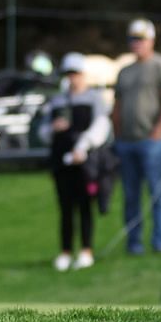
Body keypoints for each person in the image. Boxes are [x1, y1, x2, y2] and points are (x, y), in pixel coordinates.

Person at [112, 18, 161, 256]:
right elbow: (117, 105)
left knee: (157, 193)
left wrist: (158, 131)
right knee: (131, 196)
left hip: (153, 142)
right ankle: (134, 243)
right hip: (127, 142)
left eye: (140, 39)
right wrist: (118, 134)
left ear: (151, 40)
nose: (136, 43)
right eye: (133, 39)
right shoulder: (125, 71)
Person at [44, 54, 112, 271]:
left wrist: (82, 147)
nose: (73, 79)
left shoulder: (94, 99)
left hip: (85, 162)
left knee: (85, 207)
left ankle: (86, 249)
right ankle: (65, 251)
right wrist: (53, 128)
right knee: (65, 208)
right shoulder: (57, 101)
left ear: (83, 75)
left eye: (76, 74)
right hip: (61, 162)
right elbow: (42, 131)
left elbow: (101, 127)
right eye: (69, 74)